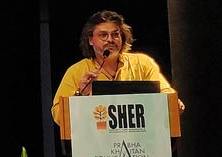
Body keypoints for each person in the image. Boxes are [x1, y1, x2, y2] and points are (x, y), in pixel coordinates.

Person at [51, 10, 185, 125]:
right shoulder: (76, 71)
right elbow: (58, 115)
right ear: (90, 40)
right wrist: (80, 94)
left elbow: (166, 93)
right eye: (103, 35)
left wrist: (172, 102)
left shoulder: (142, 63)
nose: (110, 39)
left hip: (141, 144)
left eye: (115, 34)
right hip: (96, 147)